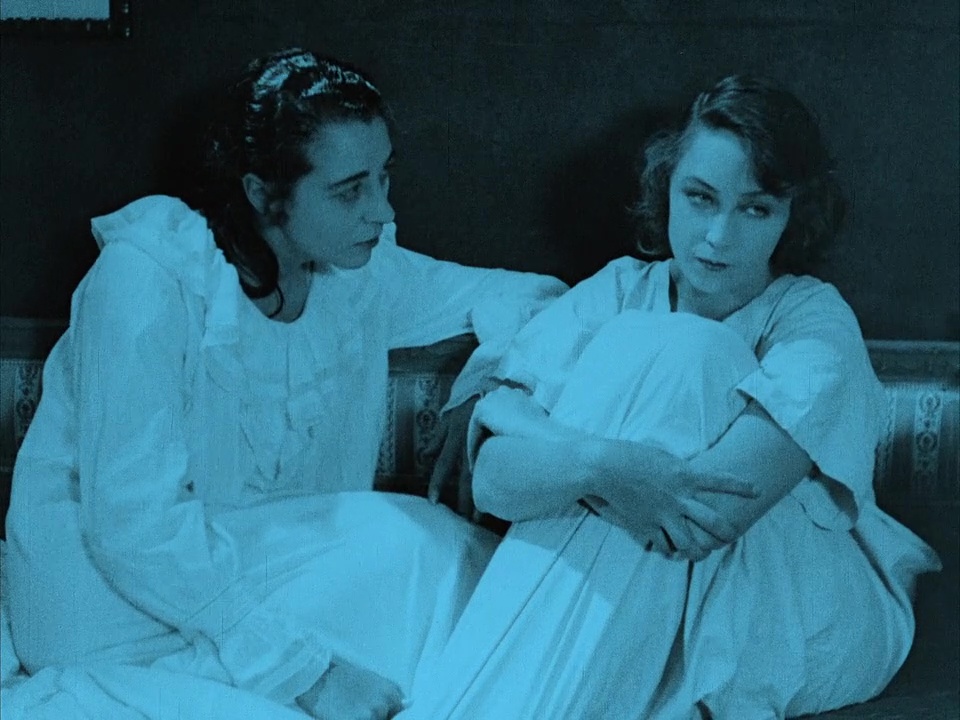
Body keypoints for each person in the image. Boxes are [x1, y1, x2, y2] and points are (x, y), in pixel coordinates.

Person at [3, 47, 571, 720]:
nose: (381, 211)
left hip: (247, 579)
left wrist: (485, 387)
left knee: (440, 560)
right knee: (413, 546)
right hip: (101, 598)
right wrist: (310, 674)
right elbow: (133, 525)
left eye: (384, 177)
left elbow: (540, 299)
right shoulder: (150, 278)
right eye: (349, 190)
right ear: (261, 192)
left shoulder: (356, 273)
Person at [411, 75, 942, 719]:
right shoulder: (619, 290)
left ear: (790, 216)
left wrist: (540, 440)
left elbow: (705, 516)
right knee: (649, 351)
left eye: (754, 209)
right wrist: (603, 463)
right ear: (667, 189)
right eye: (699, 197)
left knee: (689, 352)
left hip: (806, 606)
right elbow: (494, 483)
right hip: (649, 571)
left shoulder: (813, 320)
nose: (717, 236)